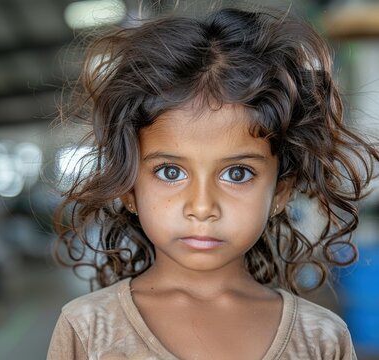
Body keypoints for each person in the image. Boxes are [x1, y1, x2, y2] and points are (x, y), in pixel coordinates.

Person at [47, 5, 379, 359]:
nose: (202, 206)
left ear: (280, 191)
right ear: (129, 188)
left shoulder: (321, 339)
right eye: (170, 172)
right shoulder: (89, 330)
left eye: (237, 173)